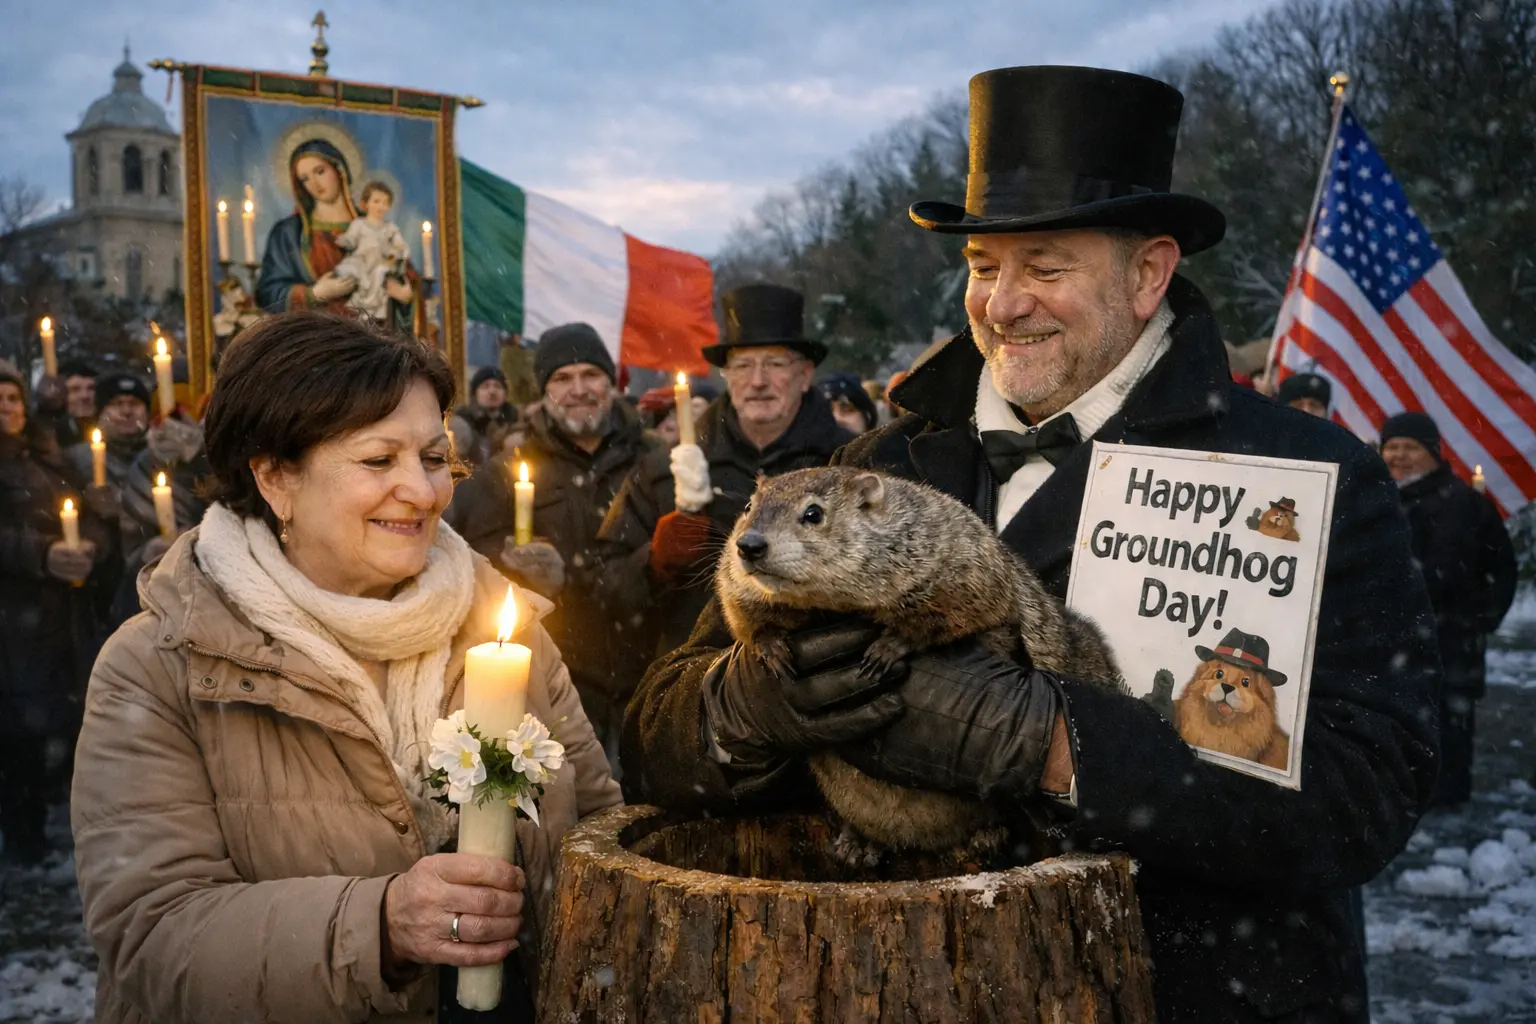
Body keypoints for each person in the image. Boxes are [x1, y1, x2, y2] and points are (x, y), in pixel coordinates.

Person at [621, 66, 1440, 1023]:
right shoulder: (875, 466)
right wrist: (751, 706)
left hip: (1185, 989)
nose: (1005, 304)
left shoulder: (1305, 475)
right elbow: (653, 737)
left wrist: (1054, 745)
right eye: (982, 268)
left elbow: (1362, 797)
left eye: (1046, 267)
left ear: (1148, 274)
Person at [71, 312, 621, 1023]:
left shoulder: (502, 625)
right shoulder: (157, 666)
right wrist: (381, 925)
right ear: (275, 478)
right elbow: (151, 942)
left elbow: (596, 833)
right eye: (378, 460)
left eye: (432, 456)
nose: (424, 492)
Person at [596, 284, 856, 656]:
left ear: (805, 374)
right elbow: (607, 592)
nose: (758, 381)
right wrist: (654, 563)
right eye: (743, 365)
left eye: (775, 364)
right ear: (726, 375)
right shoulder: (662, 470)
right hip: (693, 685)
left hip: (816, 682)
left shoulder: (848, 463)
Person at [447, 323, 665, 758]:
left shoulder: (656, 460)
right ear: (544, 392)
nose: (579, 389)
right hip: (559, 678)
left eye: (590, 375)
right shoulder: (508, 471)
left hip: (649, 673)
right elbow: (470, 558)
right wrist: (518, 572)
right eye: (562, 379)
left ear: (611, 381)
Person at [1380, 410, 1517, 807]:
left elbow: (1501, 570)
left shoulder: (1468, 504)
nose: (1399, 456)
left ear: (1435, 454)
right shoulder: (1374, 502)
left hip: (1451, 647)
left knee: (1448, 733)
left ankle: (1444, 804)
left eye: (1410, 447)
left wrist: (1478, 622)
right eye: (1391, 447)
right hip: (1387, 646)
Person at [0, 364, 107, 864]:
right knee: (19, 728)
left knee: (63, 714)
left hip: (60, 613)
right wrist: (42, 555)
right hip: (13, 618)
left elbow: (82, 513)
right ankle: (25, 838)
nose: (8, 408)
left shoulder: (47, 456)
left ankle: (62, 822)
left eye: (13, 398)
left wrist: (90, 546)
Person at [257, 138, 417, 333]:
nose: (314, 184)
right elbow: (267, 294)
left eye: (320, 171)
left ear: (339, 170)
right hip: (316, 343)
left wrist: (405, 296)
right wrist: (313, 294)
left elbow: (406, 279)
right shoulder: (288, 233)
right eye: (305, 178)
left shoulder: (376, 227)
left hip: (371, 342)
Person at [335, 180, 412, 322]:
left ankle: (371, 309)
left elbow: (401, 247)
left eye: (385, 202)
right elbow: (350, 240)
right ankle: (363, 307)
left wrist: (397, 251)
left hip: (382, 262)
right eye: (376, 201)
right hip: (362, 260)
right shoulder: (359, 224)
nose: (380, 206)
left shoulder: (390, 228)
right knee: (359, 274)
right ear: (366, 203)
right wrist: (343, 240)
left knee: (379, 272)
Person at [449, 366, 521, 469]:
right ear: (475, 394)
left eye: (497, 386)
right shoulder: (463, 424)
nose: (492, 391)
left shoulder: (516, 422)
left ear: (505, 394)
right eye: (485, 386)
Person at [32, 358, 99, 449]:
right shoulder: (44, 432)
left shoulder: (109, 425)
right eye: (75, 390)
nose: (85, 396)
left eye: (91, 388)